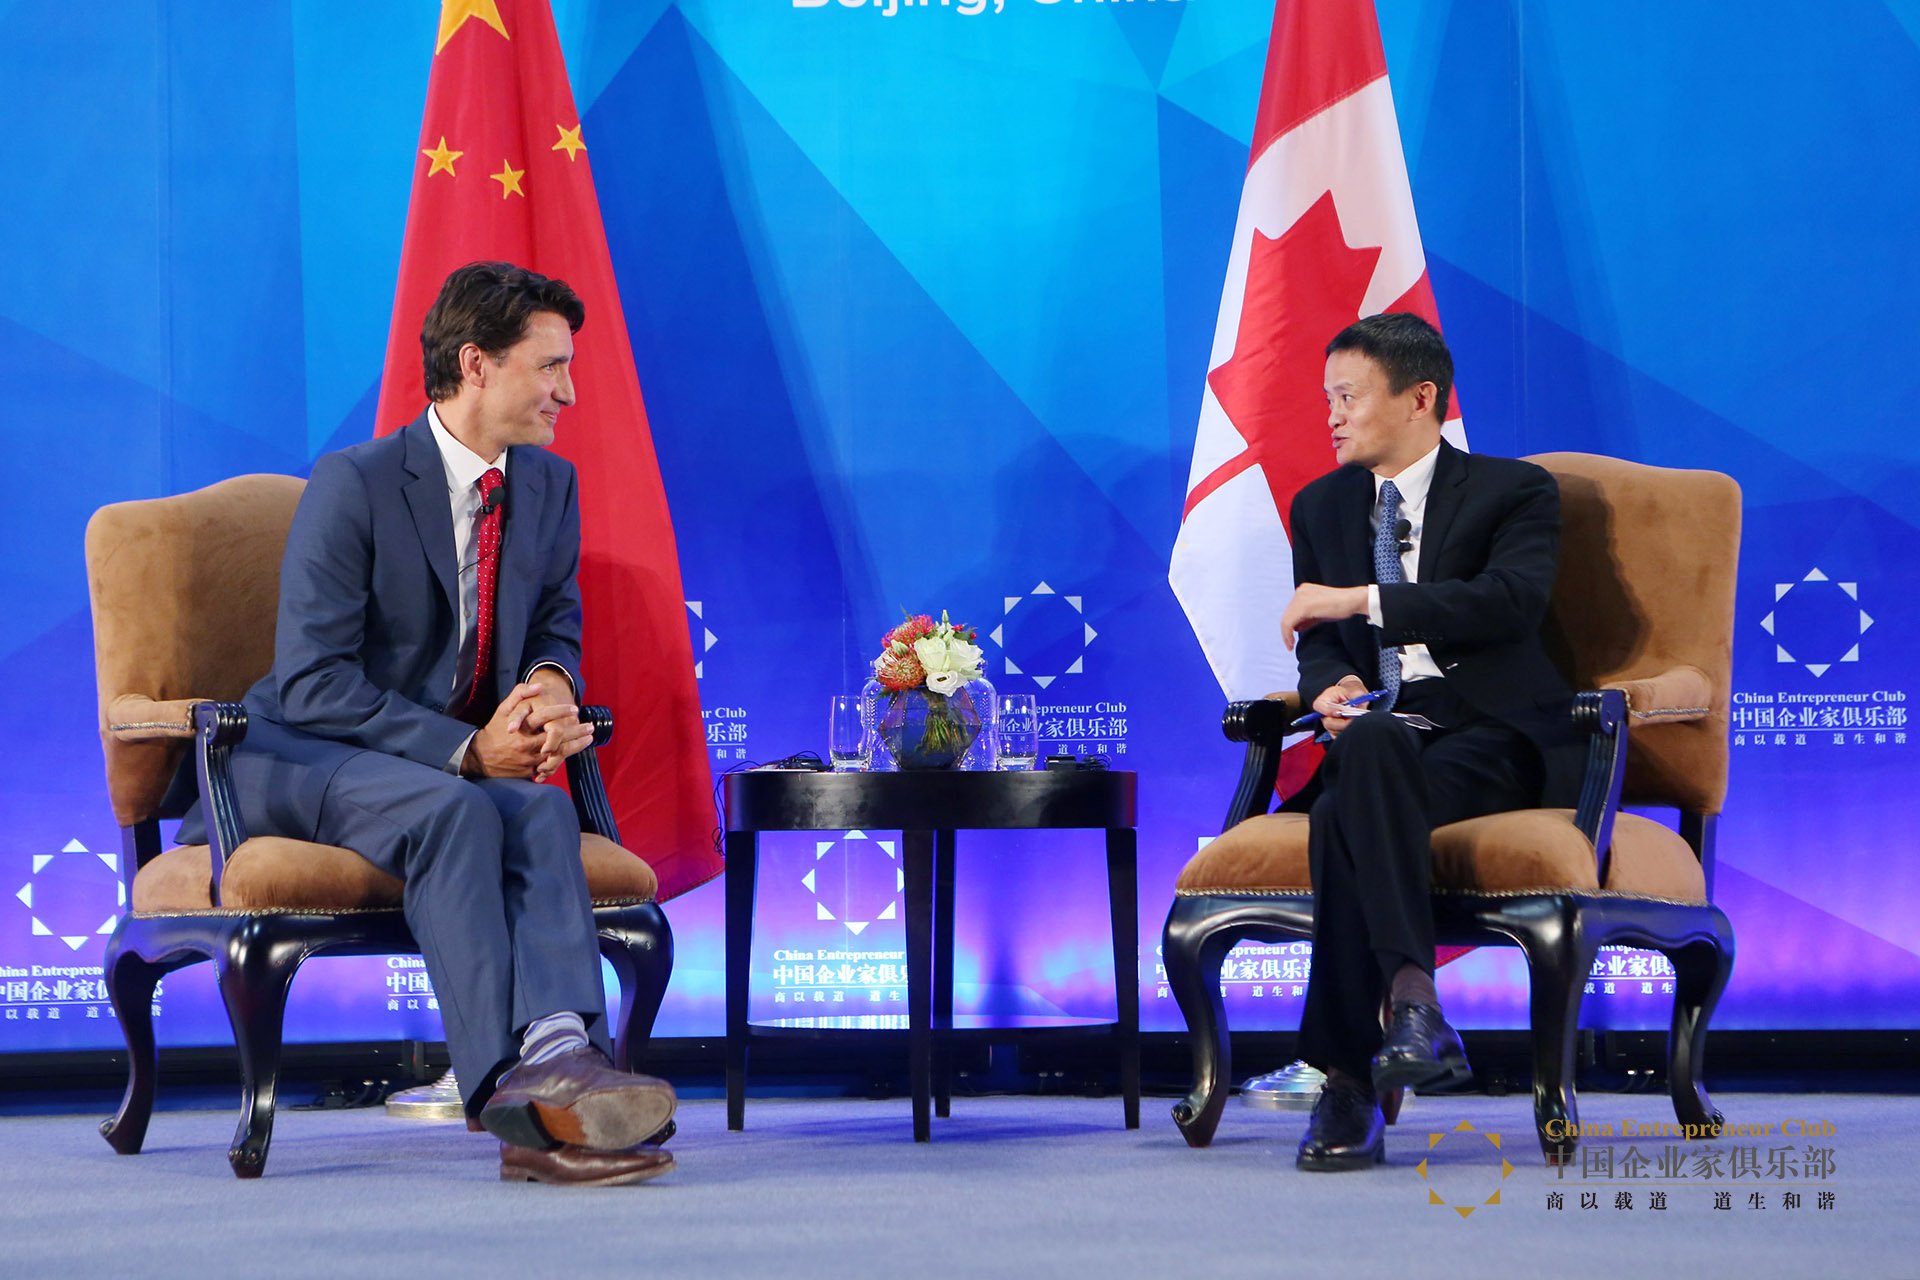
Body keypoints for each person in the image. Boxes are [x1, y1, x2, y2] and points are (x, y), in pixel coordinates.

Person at [183, 261, 677, 1186]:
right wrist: (467, 749)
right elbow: (313, 679)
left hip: (428, 766)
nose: (568, 392)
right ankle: (512, 1106)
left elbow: (555, 624)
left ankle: (564, 1056)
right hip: (302, 751)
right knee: (455, 810)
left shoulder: (548, 486)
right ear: (476, 364)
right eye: (550, 367)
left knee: (541, 811)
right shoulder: (357, 482)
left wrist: (547, 689)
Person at [1277, 311, 1580, 1172]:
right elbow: (1317, 644)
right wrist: (1327, 684)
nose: (1331, 416)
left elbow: (1508, 602)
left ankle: (1345, 1079)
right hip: (1384, 739)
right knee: (1367, 749)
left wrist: (1363, 602)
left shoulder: (1512, 491)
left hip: (1491, 735)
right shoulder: (1321, 505)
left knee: (1340, 816)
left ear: (1420, 399)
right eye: (1327, 399)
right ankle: (1414, 1002)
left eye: (1348, 396)